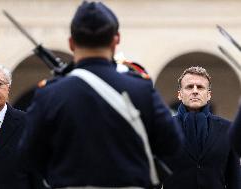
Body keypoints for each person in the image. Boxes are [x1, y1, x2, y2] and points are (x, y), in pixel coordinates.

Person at [21, 1, 183, 189]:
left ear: (71, 43)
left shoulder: (49, 94)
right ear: (116, 40)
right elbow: (173, 145)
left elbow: (28, 156)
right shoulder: (141, 89)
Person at [162, 66, 241, 189]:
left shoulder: (227, 129)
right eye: (189, 87)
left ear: (209, 95)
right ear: (180, 94)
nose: (195, 91)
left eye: (200, 87)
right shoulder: (164, 129)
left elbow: (235, 180)